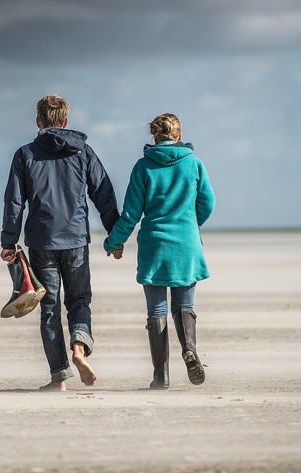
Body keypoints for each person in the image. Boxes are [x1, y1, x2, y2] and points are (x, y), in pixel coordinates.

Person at [0, 94, 120, 391]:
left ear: (38, 121)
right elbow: (103, 193)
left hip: (42, 242)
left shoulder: (25, 154)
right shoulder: (83, 152)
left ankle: (59, 378)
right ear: (65, 122)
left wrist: (9, 241)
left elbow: (15, 202)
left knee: (50, 308)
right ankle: (79, 348)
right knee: (79, 301)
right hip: (76, 239)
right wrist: (114, 234)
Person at [103, 113, 215, 389]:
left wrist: (114, 243)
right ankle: (189, 348)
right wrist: (189, 224)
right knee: (184, 305)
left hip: (154, 245)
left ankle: (160, 377)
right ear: (178, 135)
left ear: (154, 137)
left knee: (157, 309)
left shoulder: (143, 167)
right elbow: (208, 203)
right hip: (186, 244)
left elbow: (130, 213)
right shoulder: (194, 164)